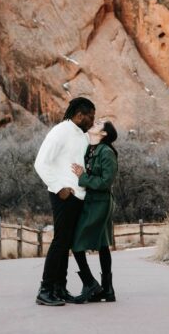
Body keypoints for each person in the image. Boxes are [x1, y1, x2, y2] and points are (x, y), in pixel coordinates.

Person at [33, 97, 96, 306]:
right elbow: (41, 162)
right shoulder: (61, 131)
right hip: (63, 195)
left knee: (66, 243)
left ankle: (59, 288)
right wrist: (59, 187)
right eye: (91, 117)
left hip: (77, 196)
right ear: (79, 115)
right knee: (60, 242)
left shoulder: (82, 136)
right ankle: (45, 290)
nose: (92, 121)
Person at [71, 120, 118, 303]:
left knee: (77, 242)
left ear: (104, 134)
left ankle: (93, 284)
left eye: (99, 124)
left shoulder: (106, 152)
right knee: (102, 243)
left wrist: (83, 177)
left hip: (100, 202)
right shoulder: (88, 149)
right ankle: (106, 290)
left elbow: (106, 182)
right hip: (89, 201)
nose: (94, 123)